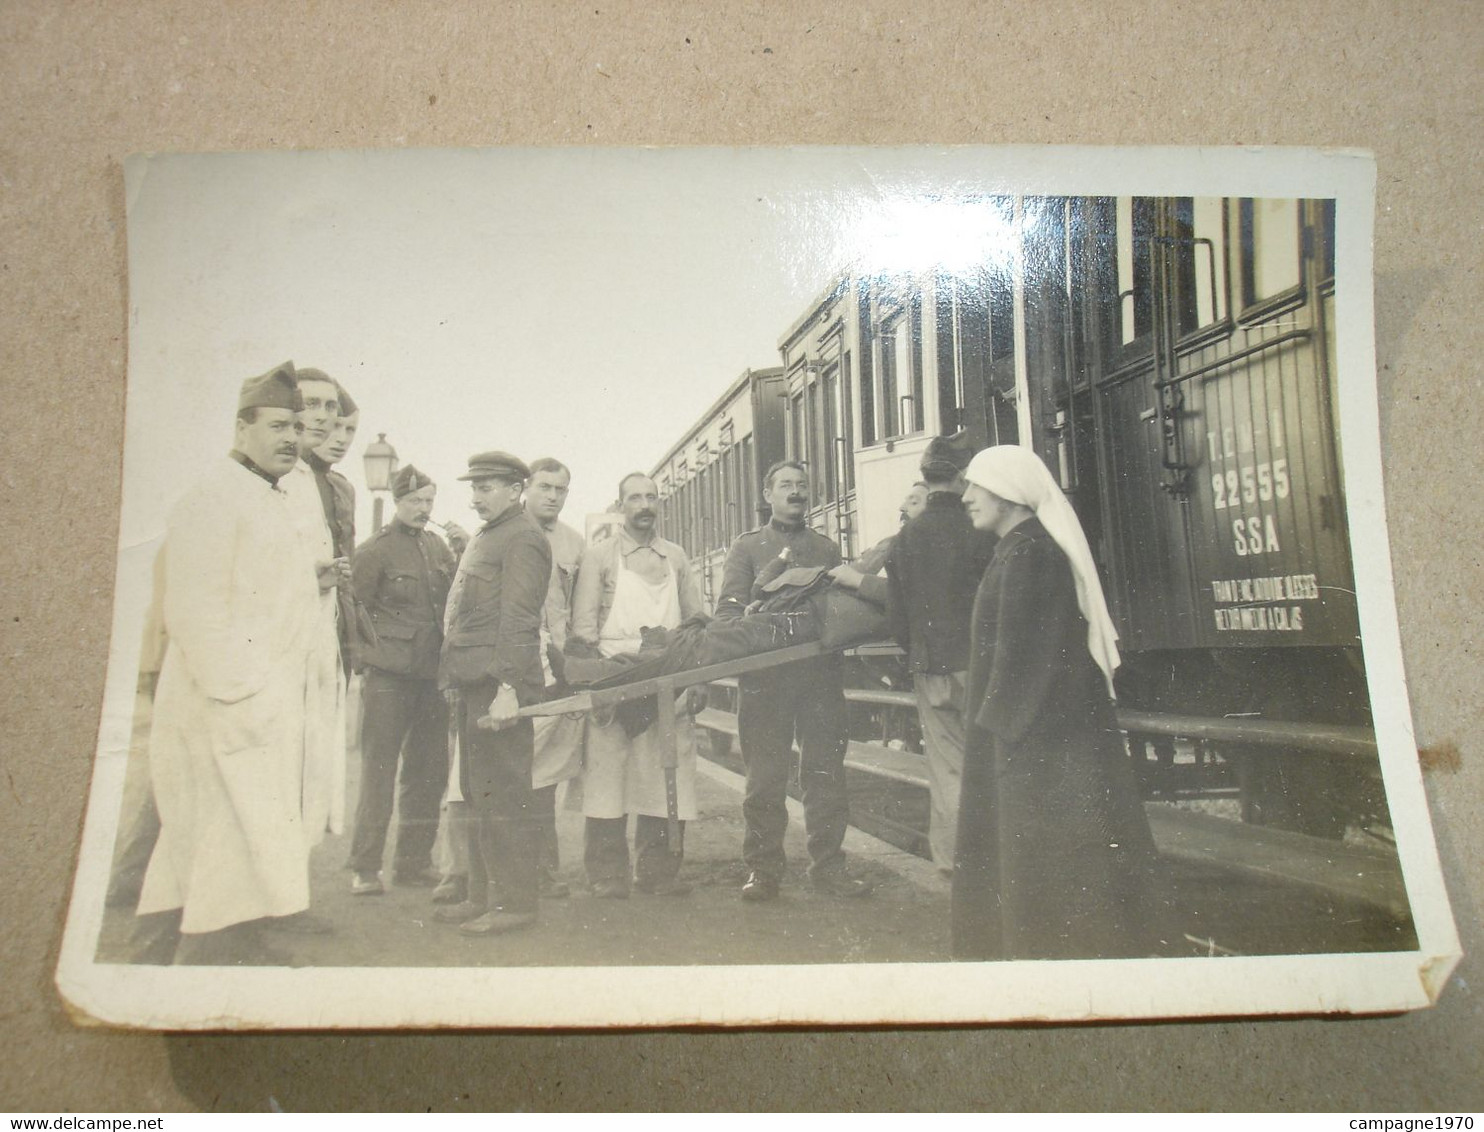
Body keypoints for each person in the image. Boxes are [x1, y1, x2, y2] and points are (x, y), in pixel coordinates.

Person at [133, 362, 330, 964]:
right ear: (241, 428)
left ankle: (174, 952)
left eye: (297, 426)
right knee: (218, 838)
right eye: (277, 425)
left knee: (219, 841)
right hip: (223, 706)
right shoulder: (211, 498)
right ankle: (202, 968)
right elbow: (193, 610)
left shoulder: (270, 499)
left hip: (258, 701)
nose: (292, 437)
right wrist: (239, 694)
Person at [953, 444, 1156, 960]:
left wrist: (996, 731)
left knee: (1043, 860)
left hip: (1031, 745)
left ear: (1009, 494)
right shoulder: (1020, 550)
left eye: (977, 487)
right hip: (1027, 736)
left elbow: (1027, 658)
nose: (967, 497)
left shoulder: (1029, 555)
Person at [832, 433, 993, 873]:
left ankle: (955, 860)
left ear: (928, 477)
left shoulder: (906, 539)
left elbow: (899, 615)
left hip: (931, 667)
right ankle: (997, 857)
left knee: (947, 769)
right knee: (992, 763)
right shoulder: (981, 529)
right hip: (983, 666)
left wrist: (917, 652)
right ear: (962, 478)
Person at [715, 460, 872, 901]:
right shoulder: (746, 549)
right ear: (768, 495)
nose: (796, 492)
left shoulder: (826, 548)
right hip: (766, 683)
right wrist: (750, 615)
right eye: (786, 485)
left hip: (819, 679)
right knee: (765, 779)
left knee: (825, 774)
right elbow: (726, 615)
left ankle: (829, 868)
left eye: (802, 485)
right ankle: (763, 872)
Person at [569, 472, 705, 898]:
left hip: (669, 675)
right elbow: (584, 625)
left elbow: (697, 623)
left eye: (651, 497)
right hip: (616, 674)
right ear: (620, 505)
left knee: (666, 770)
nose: (645, 505)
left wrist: (699, 678)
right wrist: (595, 684)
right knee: (608, 775)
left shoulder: (677, 558)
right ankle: (607, 873)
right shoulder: (600, 556)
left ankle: (658, 870)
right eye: (635, 498)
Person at [433, 451, 551, 936]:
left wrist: (508, 688)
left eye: (486, 487)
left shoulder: (523, 538)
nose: (476, 496)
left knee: (505, 796)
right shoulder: (490, 535)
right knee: (480, 795)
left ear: (515, 489)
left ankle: (514, 903)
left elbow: (520, 618)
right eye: (475, 487)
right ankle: (483, 896)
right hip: (473, 682)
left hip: (498, 686)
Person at [346, 464, 457, 895]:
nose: (423, 509)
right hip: (388, 677)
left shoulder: (438, 548)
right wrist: (363, 666)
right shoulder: (375, 550)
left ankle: (413, 862)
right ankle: (365, 867)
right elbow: (354, 610)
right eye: (414, 502)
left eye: (429, 501)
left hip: (431, 676)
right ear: (398, 502)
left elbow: (450, 602)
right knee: (379, 771)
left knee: (427, 771)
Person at [278, 366, 349, 857]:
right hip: (278, 656)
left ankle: (284, 897)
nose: (323, 418)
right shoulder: (277, 481)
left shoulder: (312, 481)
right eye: (312, 405)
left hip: (315, 646)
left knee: (306, 772)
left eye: (331, 408)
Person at [524, 457, 586, 898]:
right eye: (544, 486)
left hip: (557, 669)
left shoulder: (574, 544)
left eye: (560, 489)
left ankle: (543, 869)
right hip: (517, 667)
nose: (552, 496)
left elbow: (578, 609)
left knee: (546, 776)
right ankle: (493, 870)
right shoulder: (507, 533)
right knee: (506, 771)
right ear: (526, 487)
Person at [308, 382, 362, 677]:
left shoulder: (343, 488)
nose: (341, 439)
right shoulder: (290, 480)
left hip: (338, 623)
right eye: (336, 427)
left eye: (350, 430)